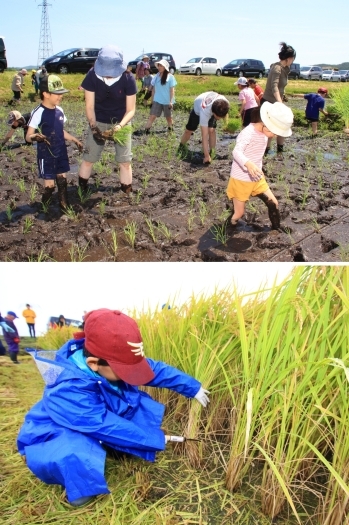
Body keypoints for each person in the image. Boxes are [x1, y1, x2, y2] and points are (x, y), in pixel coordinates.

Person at [17, 309, 210, 507]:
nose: (130, 374)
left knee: (132, 407)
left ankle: (110, 448)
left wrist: (192, 387)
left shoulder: (106, 360)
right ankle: (78, 485)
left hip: (95, 418)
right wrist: (157, 438)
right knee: (74, 455)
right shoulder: (69, 389)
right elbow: (104, 425)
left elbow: (156, 370)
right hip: (59, 431)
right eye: (125, 370)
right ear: (93, 363)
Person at [78, 45, 137, 196]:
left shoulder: (127, 78)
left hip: (121, 122)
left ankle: (126, 192)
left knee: (124, 161)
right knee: (89, 158)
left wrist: (119, 126)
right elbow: (90, 106)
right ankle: (81, 190)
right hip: (98, 120)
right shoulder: (92, 76)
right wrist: (93, 127)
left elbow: (131, 110)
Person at [226, 103, 293, 230]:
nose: (274, 136)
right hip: (241, 179)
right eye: (274, 132)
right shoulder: (248, 133)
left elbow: (257, 155)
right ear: (264, 125)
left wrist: (259, 168)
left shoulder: (263, 133)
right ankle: (230, 225)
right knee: (239, 213)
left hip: (256, 178)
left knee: (273, 203)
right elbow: (236, 152)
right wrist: (249, 164)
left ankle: (276, 228)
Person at [26, 74, 83, 211]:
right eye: (56, 94)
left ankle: (64, 205)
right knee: (50, 186)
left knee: (62, 182)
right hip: (46, 153)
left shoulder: (60, 111)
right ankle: (44, 208)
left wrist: (75, 140)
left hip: (61, 151)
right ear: (45, 94)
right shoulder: (38, 112)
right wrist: (35, 137)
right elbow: (28, 136)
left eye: (61, 93)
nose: (60, 96)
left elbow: (60, 131)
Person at [261, 42, 296, 155]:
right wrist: (280, 103)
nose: (293, 61)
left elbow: (280, 87)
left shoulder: (284, 68)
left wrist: (282, 97)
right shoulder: (277, 68)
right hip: (269, 102)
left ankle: (280, 151)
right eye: (293, 59)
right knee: (270, 127)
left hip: (277, 101)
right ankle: (265, 151)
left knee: (282, 124)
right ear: (289, 58)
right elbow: (274, 86)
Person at [178, 91, 230, 164]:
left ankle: (212, 152)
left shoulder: (224, 103)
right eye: (217, 117)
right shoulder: (205, 112)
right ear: (213, 112)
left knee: (211, 130)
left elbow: (225, 114)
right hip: (198, 109)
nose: (218, 119)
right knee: (189, 130)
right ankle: (181, 146)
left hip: (211, 104)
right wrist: (206, 156)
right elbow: (204, 136)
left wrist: (226, 125)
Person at [138, 59, 177, 134]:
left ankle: (170, 129)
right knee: (152, 116)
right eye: (158, 65)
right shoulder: (156, 76)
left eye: (161, 66)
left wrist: (171, 101)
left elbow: (172, 90)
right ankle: (146, 130)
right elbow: (153, 89)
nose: (159, 67)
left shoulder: (170, 77)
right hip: (157, 100)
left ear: (165, 67)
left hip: (167, 101)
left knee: (168, 117)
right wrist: (152, 99)